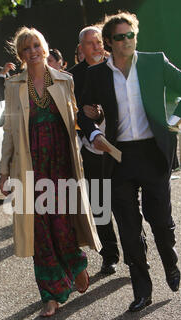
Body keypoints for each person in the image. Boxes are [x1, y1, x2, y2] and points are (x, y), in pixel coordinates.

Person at [78, 11, 181, 312]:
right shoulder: (97, 75)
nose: (127, 41)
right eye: (120, 37)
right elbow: (83, 113)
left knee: (160, 221)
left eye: (130, 34)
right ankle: (142, 290)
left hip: (152, 154)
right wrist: (93, 132)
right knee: (129, 230)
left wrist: (174, 122)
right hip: (118, 158)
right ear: (109, 42)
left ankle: (170, 261)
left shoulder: (153, 62)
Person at [0, 27, 101, 317]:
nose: (32, 52)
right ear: (20, 55)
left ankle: (76, 264)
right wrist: (4, 170)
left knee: (62, 221)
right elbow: (9, 130)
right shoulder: (13, 85)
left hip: (62, 163)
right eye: (26, 49)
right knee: (40, 230)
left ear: (44, 48)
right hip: (31, 165)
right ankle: (51, 295)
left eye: (35, 46)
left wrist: (98, 119)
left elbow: (80, 119)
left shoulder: (64, 80)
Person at [69, 26, 120, 276]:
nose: (97, 46)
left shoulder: (116, 66)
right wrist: (84, 118)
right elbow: (70, 111)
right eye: (90, 43)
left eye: (99, 41)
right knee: (100, 205)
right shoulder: (73, 77)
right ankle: (109, 255)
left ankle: (135, 252)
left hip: (119, 144)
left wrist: (101, 114)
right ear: (81, 48)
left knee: (125, 201)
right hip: (90, 148)